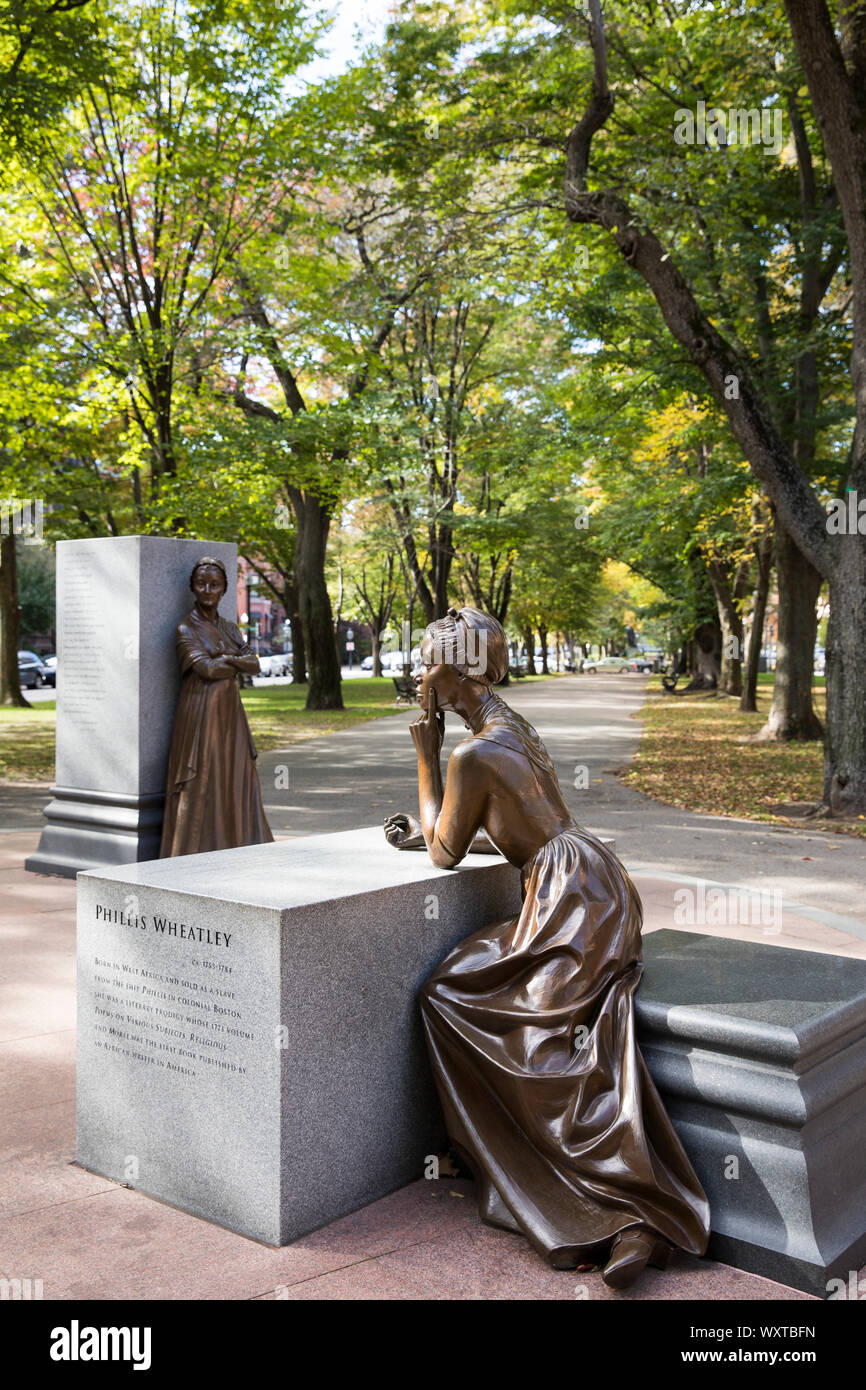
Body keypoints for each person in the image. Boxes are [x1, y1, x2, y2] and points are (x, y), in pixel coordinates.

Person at [384, 606, 709, 1290]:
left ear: (460, 669)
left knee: (491, 1015)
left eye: (427, 661)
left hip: (567, 901)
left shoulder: (468, 751)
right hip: (592, 881)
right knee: (516, 1009)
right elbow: (511, 819)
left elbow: (444, 855)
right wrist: (441, 822)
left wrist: (423, 756)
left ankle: (628, 1212)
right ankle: (569, 1191)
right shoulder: (510, 725)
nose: (419, 672)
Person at [159, 557, 273, 857]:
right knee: (202, 774)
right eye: (201, 584)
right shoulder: (186, 628)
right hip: (200, 713)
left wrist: (226, 659)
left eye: (214, 585)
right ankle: (193, 848)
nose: (207, 590)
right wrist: (233, 661)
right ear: (192, 588)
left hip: (230, 713)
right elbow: (206, 670)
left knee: (233, 771)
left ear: (224, 589)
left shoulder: (230, 628)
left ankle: (235, 839)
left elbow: (255, 664)